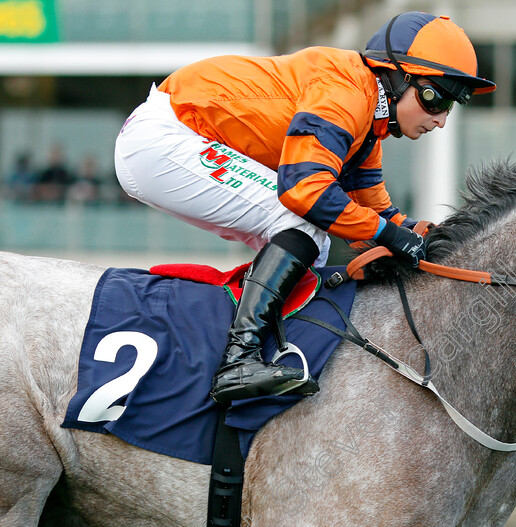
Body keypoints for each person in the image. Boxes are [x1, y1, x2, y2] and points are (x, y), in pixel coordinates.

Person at [113, 12, 495, 404]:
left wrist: (428, 237)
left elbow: (378, 213)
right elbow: (305, 191)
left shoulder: (369, 122)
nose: (441, 119)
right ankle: (237, 360)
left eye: (452, 105)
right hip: (164, 137)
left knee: (314, 247)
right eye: (436, 98)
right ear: (396, 77)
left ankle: (267, 352)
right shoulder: (345, 94)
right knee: (302, 222)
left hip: (174, 138)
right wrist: (390, 235)